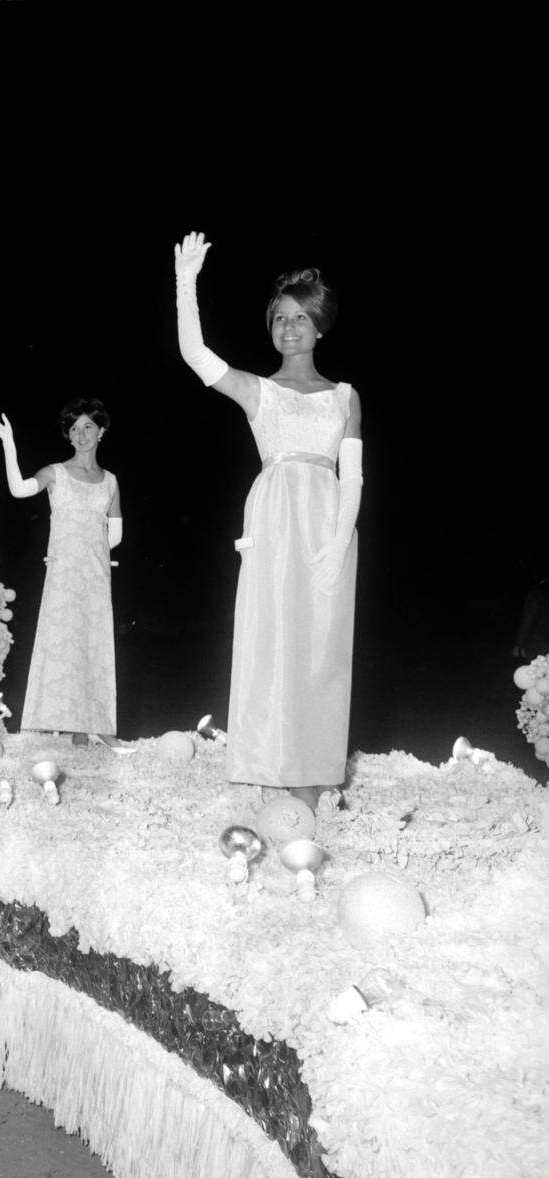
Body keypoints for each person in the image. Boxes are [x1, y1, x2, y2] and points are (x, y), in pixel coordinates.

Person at [174, 232, 363, 810]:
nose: (289, 327)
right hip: (275, 519)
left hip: (328, 526)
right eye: (280, 317)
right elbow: (196, 356)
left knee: (321, 649)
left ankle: (310, 774)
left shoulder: (344, 396)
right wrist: (186, 286)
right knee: (272, 642)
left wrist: (338, 542)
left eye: (301, 317)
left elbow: (352, 477)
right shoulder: (260, 392)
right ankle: (269, 770)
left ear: (320, 325)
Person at [0, 398, 132, 752]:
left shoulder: (110, 481)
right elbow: (20, 489)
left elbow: (115, 535)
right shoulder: (56, 473)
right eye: (75, 428)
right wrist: (8, 442)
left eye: (88, 427)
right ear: (68, 435)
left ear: (101, 432)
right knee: (65, 648)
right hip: (64, 575)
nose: (81, 434)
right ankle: (74, 728)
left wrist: (91, 554)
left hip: (95, 576)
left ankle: (95, 728)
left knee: (95, 648)